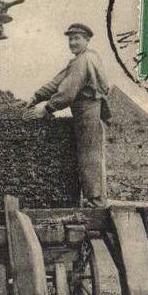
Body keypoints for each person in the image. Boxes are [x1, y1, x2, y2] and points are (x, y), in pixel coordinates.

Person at [24, 23, 111, 207]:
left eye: (77, 38)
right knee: (86, 153)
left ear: (87, 40)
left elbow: (67, 92)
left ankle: (96, 201)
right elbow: (58, 81)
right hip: (83, 112)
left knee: (88, 155)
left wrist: (46, 109)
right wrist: (36, 97)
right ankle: (93, 199)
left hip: (88, 111)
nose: (72, 42)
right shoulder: (79, 60)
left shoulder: (85, 60)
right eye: (70, 39)